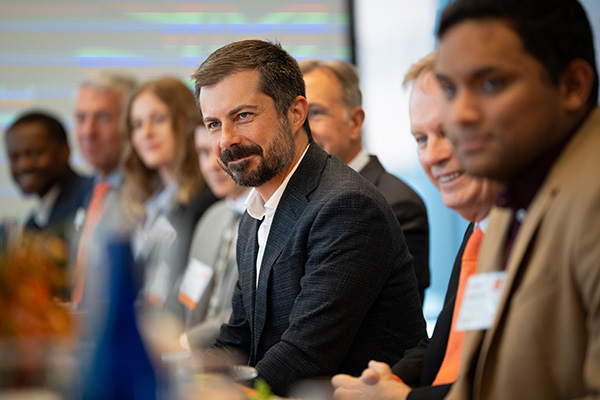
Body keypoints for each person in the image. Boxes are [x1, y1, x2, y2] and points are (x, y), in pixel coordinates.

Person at [192, 39, 427, 396]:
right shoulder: (256, 208)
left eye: (243, 116)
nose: (226, 141)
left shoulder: (345, 206)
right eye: (213, 124)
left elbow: (303, 357)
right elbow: (238, 335)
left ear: (296, 112)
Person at [434, 0, 600, 398]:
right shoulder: (513, 196)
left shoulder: (592, 195)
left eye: (492, 84)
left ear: (573, 85)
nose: (460, 114)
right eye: (449, 89)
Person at [331, 52, 501, 400]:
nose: (432, 155)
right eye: (421, 139)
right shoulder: (477, 228)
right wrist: (385, 380)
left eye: (448, 133)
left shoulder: (527, 230)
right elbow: (447, 346)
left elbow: (510, 385)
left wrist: (401, 398)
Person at [299, 59, 430, 304]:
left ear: (355, 122)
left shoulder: (396, 204)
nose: (301, 129)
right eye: (295, 116)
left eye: (315, 113)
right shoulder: (296, 201)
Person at [121, 77, 216, 324]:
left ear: (185, 123)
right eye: (137, 125)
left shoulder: (205, 200)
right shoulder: (144, 201)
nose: (146, 134)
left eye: (158, 120)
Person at [179, 125, 250, 349]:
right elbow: (185, 293)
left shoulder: (268, 218)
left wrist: (185, 342)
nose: (212, 164)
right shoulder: (210, 218)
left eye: (221, 150)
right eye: (203, 153)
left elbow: (248, 310)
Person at [72, 72, 137, 306]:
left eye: (103, 118)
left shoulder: (147, 196)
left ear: (130, 123)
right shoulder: (86, 189)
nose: (88, 131)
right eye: (81, 118)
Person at [4, 111, 93, 239]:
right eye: (14, 157)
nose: (23, 165)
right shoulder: (32, 225)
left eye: (34, 154)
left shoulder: (91, 196)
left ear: (65, 151)